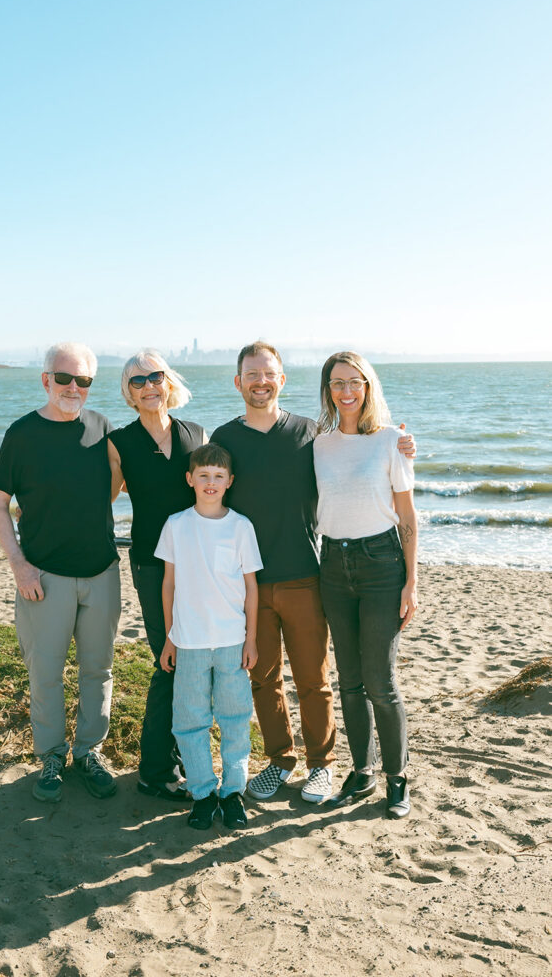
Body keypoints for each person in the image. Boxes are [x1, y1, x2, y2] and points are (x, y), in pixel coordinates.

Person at [211, 341, 416, 806]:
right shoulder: (224, 439)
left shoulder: (308, 435)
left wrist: (402, 444)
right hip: (249, 582)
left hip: (307, 573)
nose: (261, 381)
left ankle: (322, 765)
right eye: (252, 374)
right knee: (263, 678)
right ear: (238, 381)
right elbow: (206, 494)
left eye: (269, 373)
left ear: (282, 380)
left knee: (314, 680)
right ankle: (281, 760)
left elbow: (363, 461)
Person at [0, 342, 120, 804]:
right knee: (45, 674)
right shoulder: (22, 434)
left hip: (102, 572)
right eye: (64, 378)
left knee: (98, 671)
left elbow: (112, 486)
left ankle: (89, 753)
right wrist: (19, 565)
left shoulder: (102, 426)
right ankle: (51, 757)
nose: (73, 388)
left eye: (83, 380)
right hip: (44, 579)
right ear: (46, 379)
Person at [314, 351, 418, 819]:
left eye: (354, 382)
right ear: (328, 389)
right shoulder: (318, 443)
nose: (346, 391)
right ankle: (362, 772)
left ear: (368, 386)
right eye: (337, 383)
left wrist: (411, 581)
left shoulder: (391, 442)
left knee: (380, 680)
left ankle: (397, 780)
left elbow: (407, 516)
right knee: (349, 682)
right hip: (332, 565)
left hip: (381, 565)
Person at [108, 350, 205, 801]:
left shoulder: (196, 433)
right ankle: (154, 770)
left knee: (195, 660)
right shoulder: (119, 442)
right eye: (137, 381)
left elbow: (219, 484)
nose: (148, 386)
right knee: (169, 659)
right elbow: (98, 498)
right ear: (128, 393)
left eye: (155, 376)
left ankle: (182, 758)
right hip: (151, 562)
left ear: (168, 381)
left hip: (198, 561)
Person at [156, 443, 263, 830]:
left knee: (235, 718)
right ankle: (203, 794)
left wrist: (251, 638)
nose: (211, 482)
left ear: (230, 481)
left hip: (233, 640)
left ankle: (233, 792)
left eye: (219, 476)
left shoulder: (241, 526)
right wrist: (170, 637)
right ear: (190, 479)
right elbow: (168, 585)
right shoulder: (176, 524)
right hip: (189, 642)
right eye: (203, 475)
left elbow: (252, 587)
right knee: (189, 720)